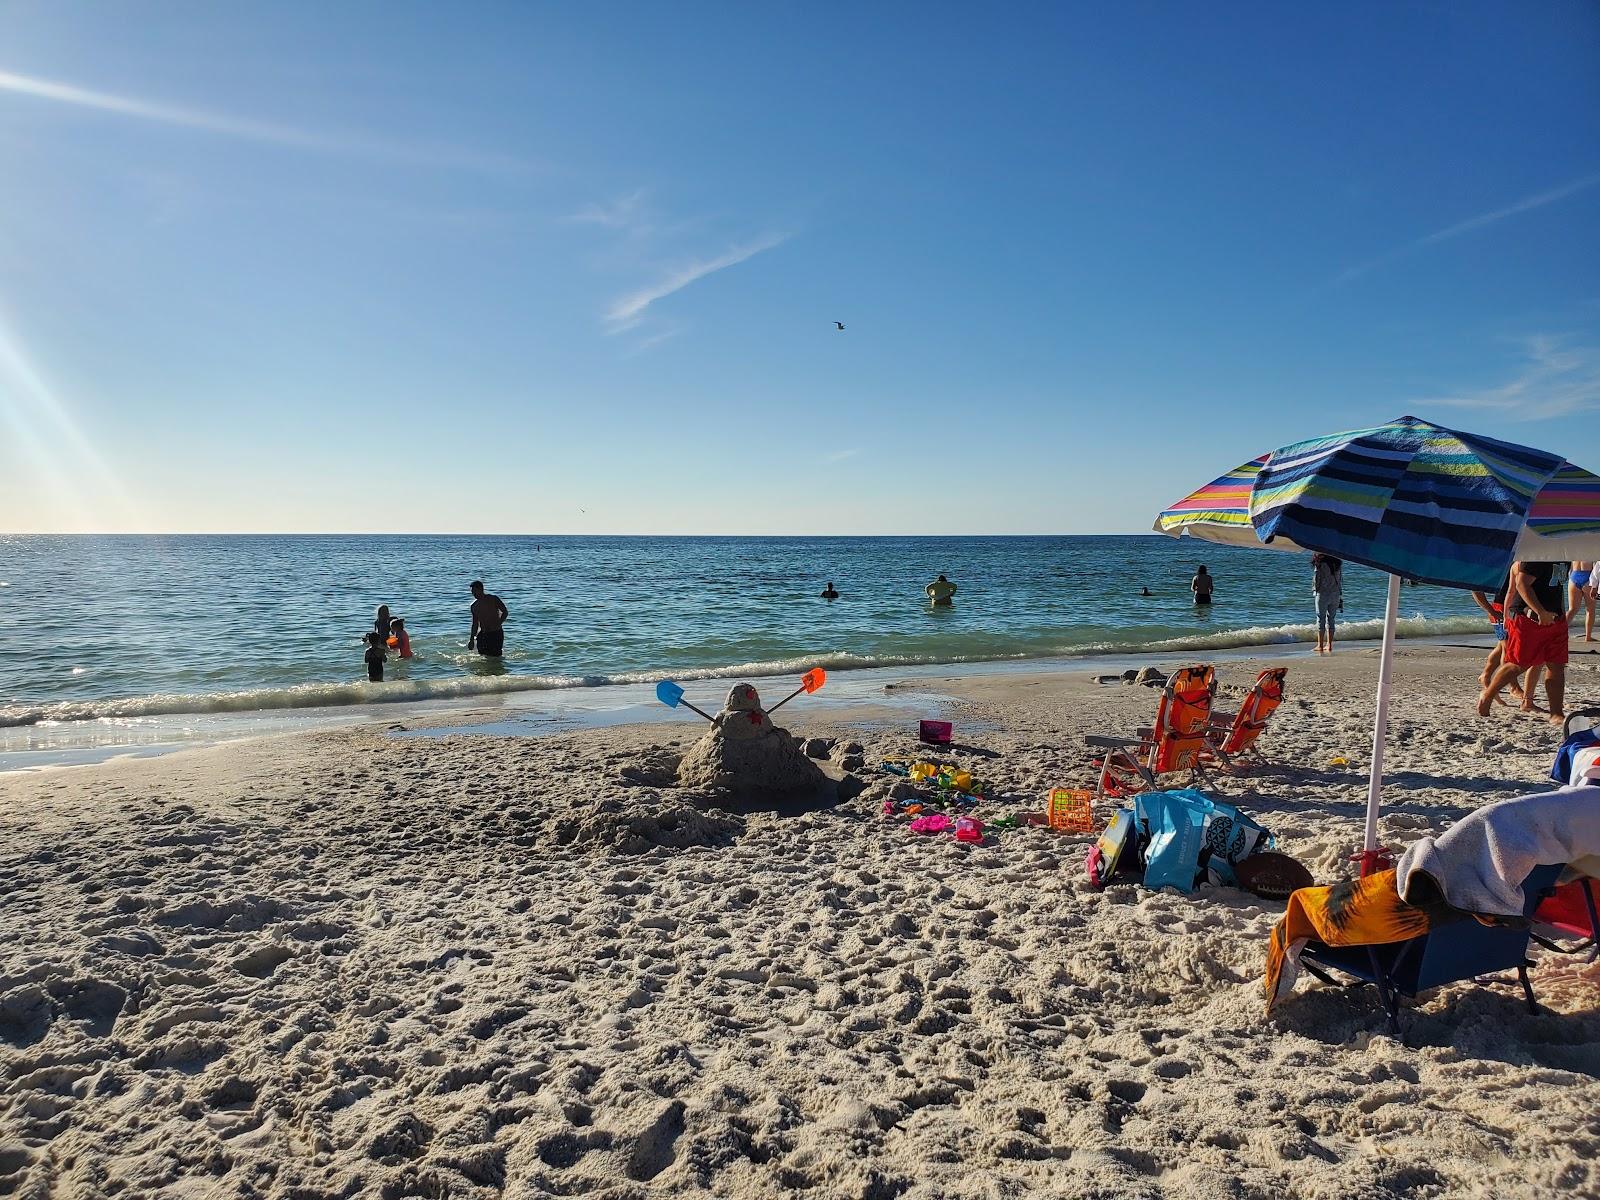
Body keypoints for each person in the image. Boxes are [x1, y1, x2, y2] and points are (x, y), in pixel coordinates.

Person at [1479, 562, 1567, 724]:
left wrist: (1562, 616)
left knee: (1556, 665)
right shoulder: (1538, 556)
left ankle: (1556, 712)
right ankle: (1488, 694)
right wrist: (1539, 611)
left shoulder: (1565, 556)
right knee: (1519, 664)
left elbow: (1558, 588)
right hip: (1527, 619)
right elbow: (1520, 584)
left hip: (1556, 619)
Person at [467, 580, 509, 657]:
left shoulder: (493, 599)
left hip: (496, 632)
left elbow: (505, 612)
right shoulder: (474, 606)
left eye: (475, 591)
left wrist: (499, 623)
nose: (473, 594)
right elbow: (475, 624)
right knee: (483, 657)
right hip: (483, 634)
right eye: (472, 592)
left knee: (496, 657)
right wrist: (471, 639)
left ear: (481, 589)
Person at [1312, 554, 1343, 654]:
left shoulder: (1320, 564)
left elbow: (1317, 579)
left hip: (1322, 594)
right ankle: (1329, 645)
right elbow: (1340, 580)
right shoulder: (1338, 563)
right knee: (1331, 619)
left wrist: (1314, 590)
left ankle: (1320, 645)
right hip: (1336, 594)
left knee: (1320, 618)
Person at [1570, 561, 1596, 643]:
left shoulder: (1575, 550)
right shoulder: (1591, 549)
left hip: (1573, 575)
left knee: (1572, 609)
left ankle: (1559, 633)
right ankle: (1588, 637)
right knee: (1590, 609)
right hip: (1588, 576)